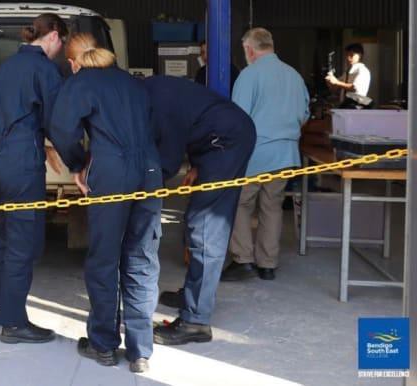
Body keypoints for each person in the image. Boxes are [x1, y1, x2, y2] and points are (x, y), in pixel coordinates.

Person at [50, 33, 163, 373]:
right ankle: (140, 351)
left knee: (104, 258)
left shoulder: (80, 83)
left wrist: (77, 164)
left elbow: (61, 128)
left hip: (112, 173)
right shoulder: (131, 82)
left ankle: (103, 345)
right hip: (150, 171)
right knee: (142, 257)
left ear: (74, 63)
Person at [147, 75, 256, 346]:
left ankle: (195, 321)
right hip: (216, 140)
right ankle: (193, 296)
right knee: (197, 219)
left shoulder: (155, 101)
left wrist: (142, 188)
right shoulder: (151, 90)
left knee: (206, 226)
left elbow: (168, 159)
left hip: (226, 141)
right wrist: (197, 164)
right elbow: (192, 120)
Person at [0, 14, 67, 344]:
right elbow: (57, 122)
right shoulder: (44, 69)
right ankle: (14, 323)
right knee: (24, 243)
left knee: (6, 232)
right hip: (21, 162)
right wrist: (77, 160)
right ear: (53, 36)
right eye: (61, 43)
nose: (60, 50)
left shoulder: (5, 67)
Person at [223, 28, 310, 282]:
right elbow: (304, 115)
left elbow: (238, 119)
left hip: (256, 153)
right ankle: (267, 264)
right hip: (286, 154)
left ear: (249, 50)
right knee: (272, 206)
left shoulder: (249, 75)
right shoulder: (294, 76)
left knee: (240, 204)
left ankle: (243, 259)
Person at [325, 43, 372, 109]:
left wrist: (336, 82)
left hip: (356, 106)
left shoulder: (363, 70)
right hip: (345, 105)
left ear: (360, 55)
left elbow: (354, 88)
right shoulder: (347, 72)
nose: (348, 58)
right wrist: (329, 82)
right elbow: (335, 88)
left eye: (351, 55)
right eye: (347, 55)